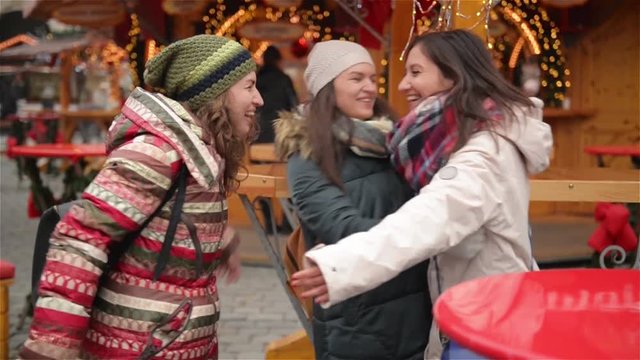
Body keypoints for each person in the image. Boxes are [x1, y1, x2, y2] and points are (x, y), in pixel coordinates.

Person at [291, 30, 553, 359]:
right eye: (356, 78)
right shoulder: (435, 143)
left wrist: (340, 265)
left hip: (485, 321)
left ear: (453, 75)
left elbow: (425, 222)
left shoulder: (479, 155)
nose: (398, 86)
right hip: (439, 313)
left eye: (415, 72)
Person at [21, 35, 263, 360]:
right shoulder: (157, 151)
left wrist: (212, 239)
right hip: (139, 346)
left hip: (169, 341)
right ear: (215, 93)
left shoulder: (196, 151)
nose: (259, 99)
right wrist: (51, 346)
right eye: (248, 86)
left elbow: (159, 231)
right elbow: (80, 239)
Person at [275, 40, 431, 360]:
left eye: (372, 79)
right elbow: (341, 226)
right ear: (327, 88)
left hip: (415, 306)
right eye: (356, 78)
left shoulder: (392, 140)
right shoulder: (307, 153)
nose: (370, 88)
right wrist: (429, 233)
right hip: (357, 318)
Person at [256, 45, 298, 144]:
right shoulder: (284, 79)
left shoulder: (257, 79)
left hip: (259, 129)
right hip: (281, 129)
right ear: (278, 60)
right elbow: (294, 104)